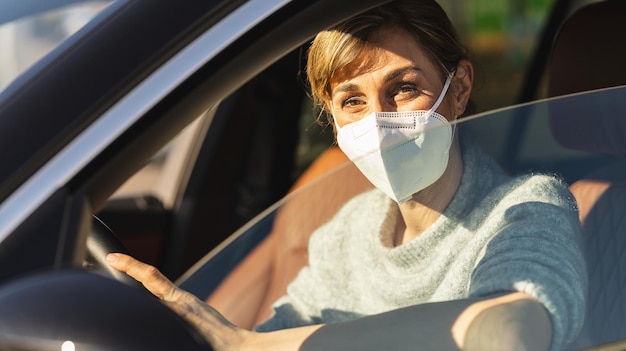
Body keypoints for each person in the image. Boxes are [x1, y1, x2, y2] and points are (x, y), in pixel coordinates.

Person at [107, 0, 587, 350]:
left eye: (402, 88)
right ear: (332, 119)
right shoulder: (348, 231)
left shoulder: (527, 209)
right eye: (352, 100)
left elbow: (506, 332)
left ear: (458, 90)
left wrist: (246, 347)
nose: (377, 121)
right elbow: (284, 331)